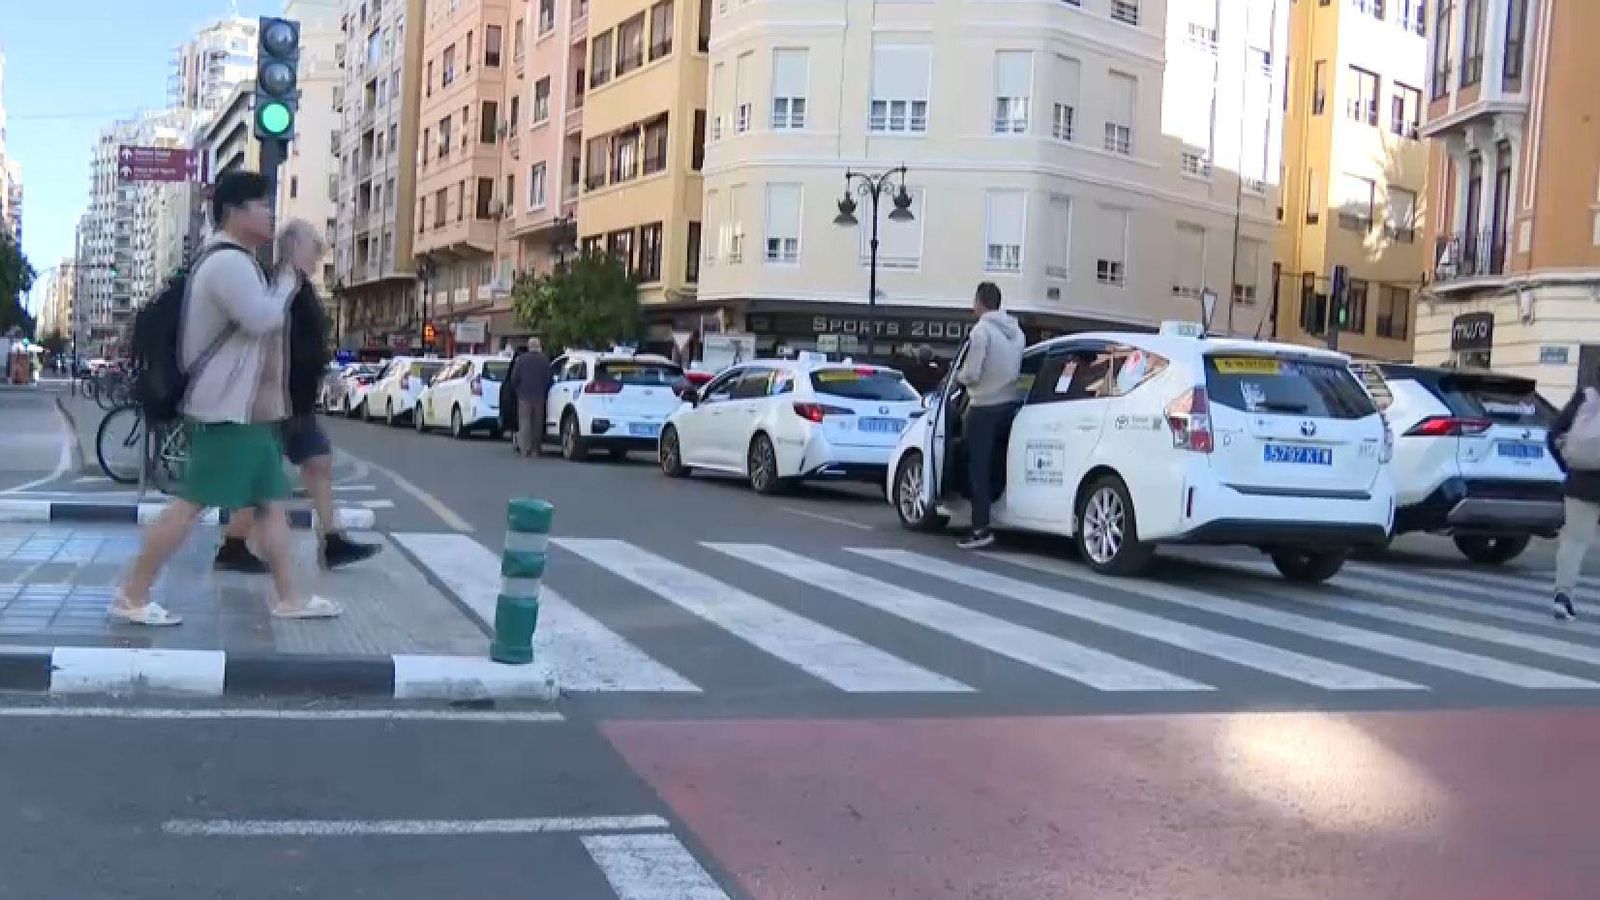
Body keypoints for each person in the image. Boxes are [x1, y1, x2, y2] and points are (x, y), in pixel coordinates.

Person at [113, 171, 340, 625]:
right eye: (261, 204)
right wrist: (291, 275)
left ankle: (289, 597)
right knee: (190, 505)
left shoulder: (237, 261)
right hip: (223, 413)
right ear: (234, 212)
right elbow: (261, 319)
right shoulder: (227, 263)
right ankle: (131, 595)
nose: (270, 214)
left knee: (272, 505)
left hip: (242, 414)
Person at [214, 219, 381, 574]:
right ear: (294, 248)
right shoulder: (280, 285)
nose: (318, 258)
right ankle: (235, 546)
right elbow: (274, 337)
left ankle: (331, 540)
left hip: (297, 398)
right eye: (313, 250)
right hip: (278, 399)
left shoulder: (299, 286)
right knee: (265, 476)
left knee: (316, 463)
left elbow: (307, 341)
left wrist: (327, 373)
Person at [954, 281, 1024, 551]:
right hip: (1009, 405)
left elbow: (972, 373)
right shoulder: (1017, 333)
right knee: (999, 464)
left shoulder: (981, 332)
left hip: (982, 407)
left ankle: (980, 527)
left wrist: (959, 377)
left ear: (980, 302)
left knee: (978, 470)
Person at [1547, 384, 1600, 620]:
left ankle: (1563, 596)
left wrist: (1568, 466)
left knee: (1574, 542)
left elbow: (1553, 434)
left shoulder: (1584, 397)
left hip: (1580, 481)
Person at [510, 337, 551, 457]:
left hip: (524, 395)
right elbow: (548, 378)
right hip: (539, 396)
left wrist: (518, 389)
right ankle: (535, 449)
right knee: (537, 423)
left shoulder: (522, 360)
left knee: (525, 422)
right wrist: (544, 390)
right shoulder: (544, 360)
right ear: (538, 346)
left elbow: (514, 377)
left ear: (529, 346)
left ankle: (524, 448)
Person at [500, 342, 527, 447]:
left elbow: (512, 379)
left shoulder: (516, 363)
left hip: (516, 395)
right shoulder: (522, 363)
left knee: (519, 420)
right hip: (522, 395)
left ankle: (518, 440)